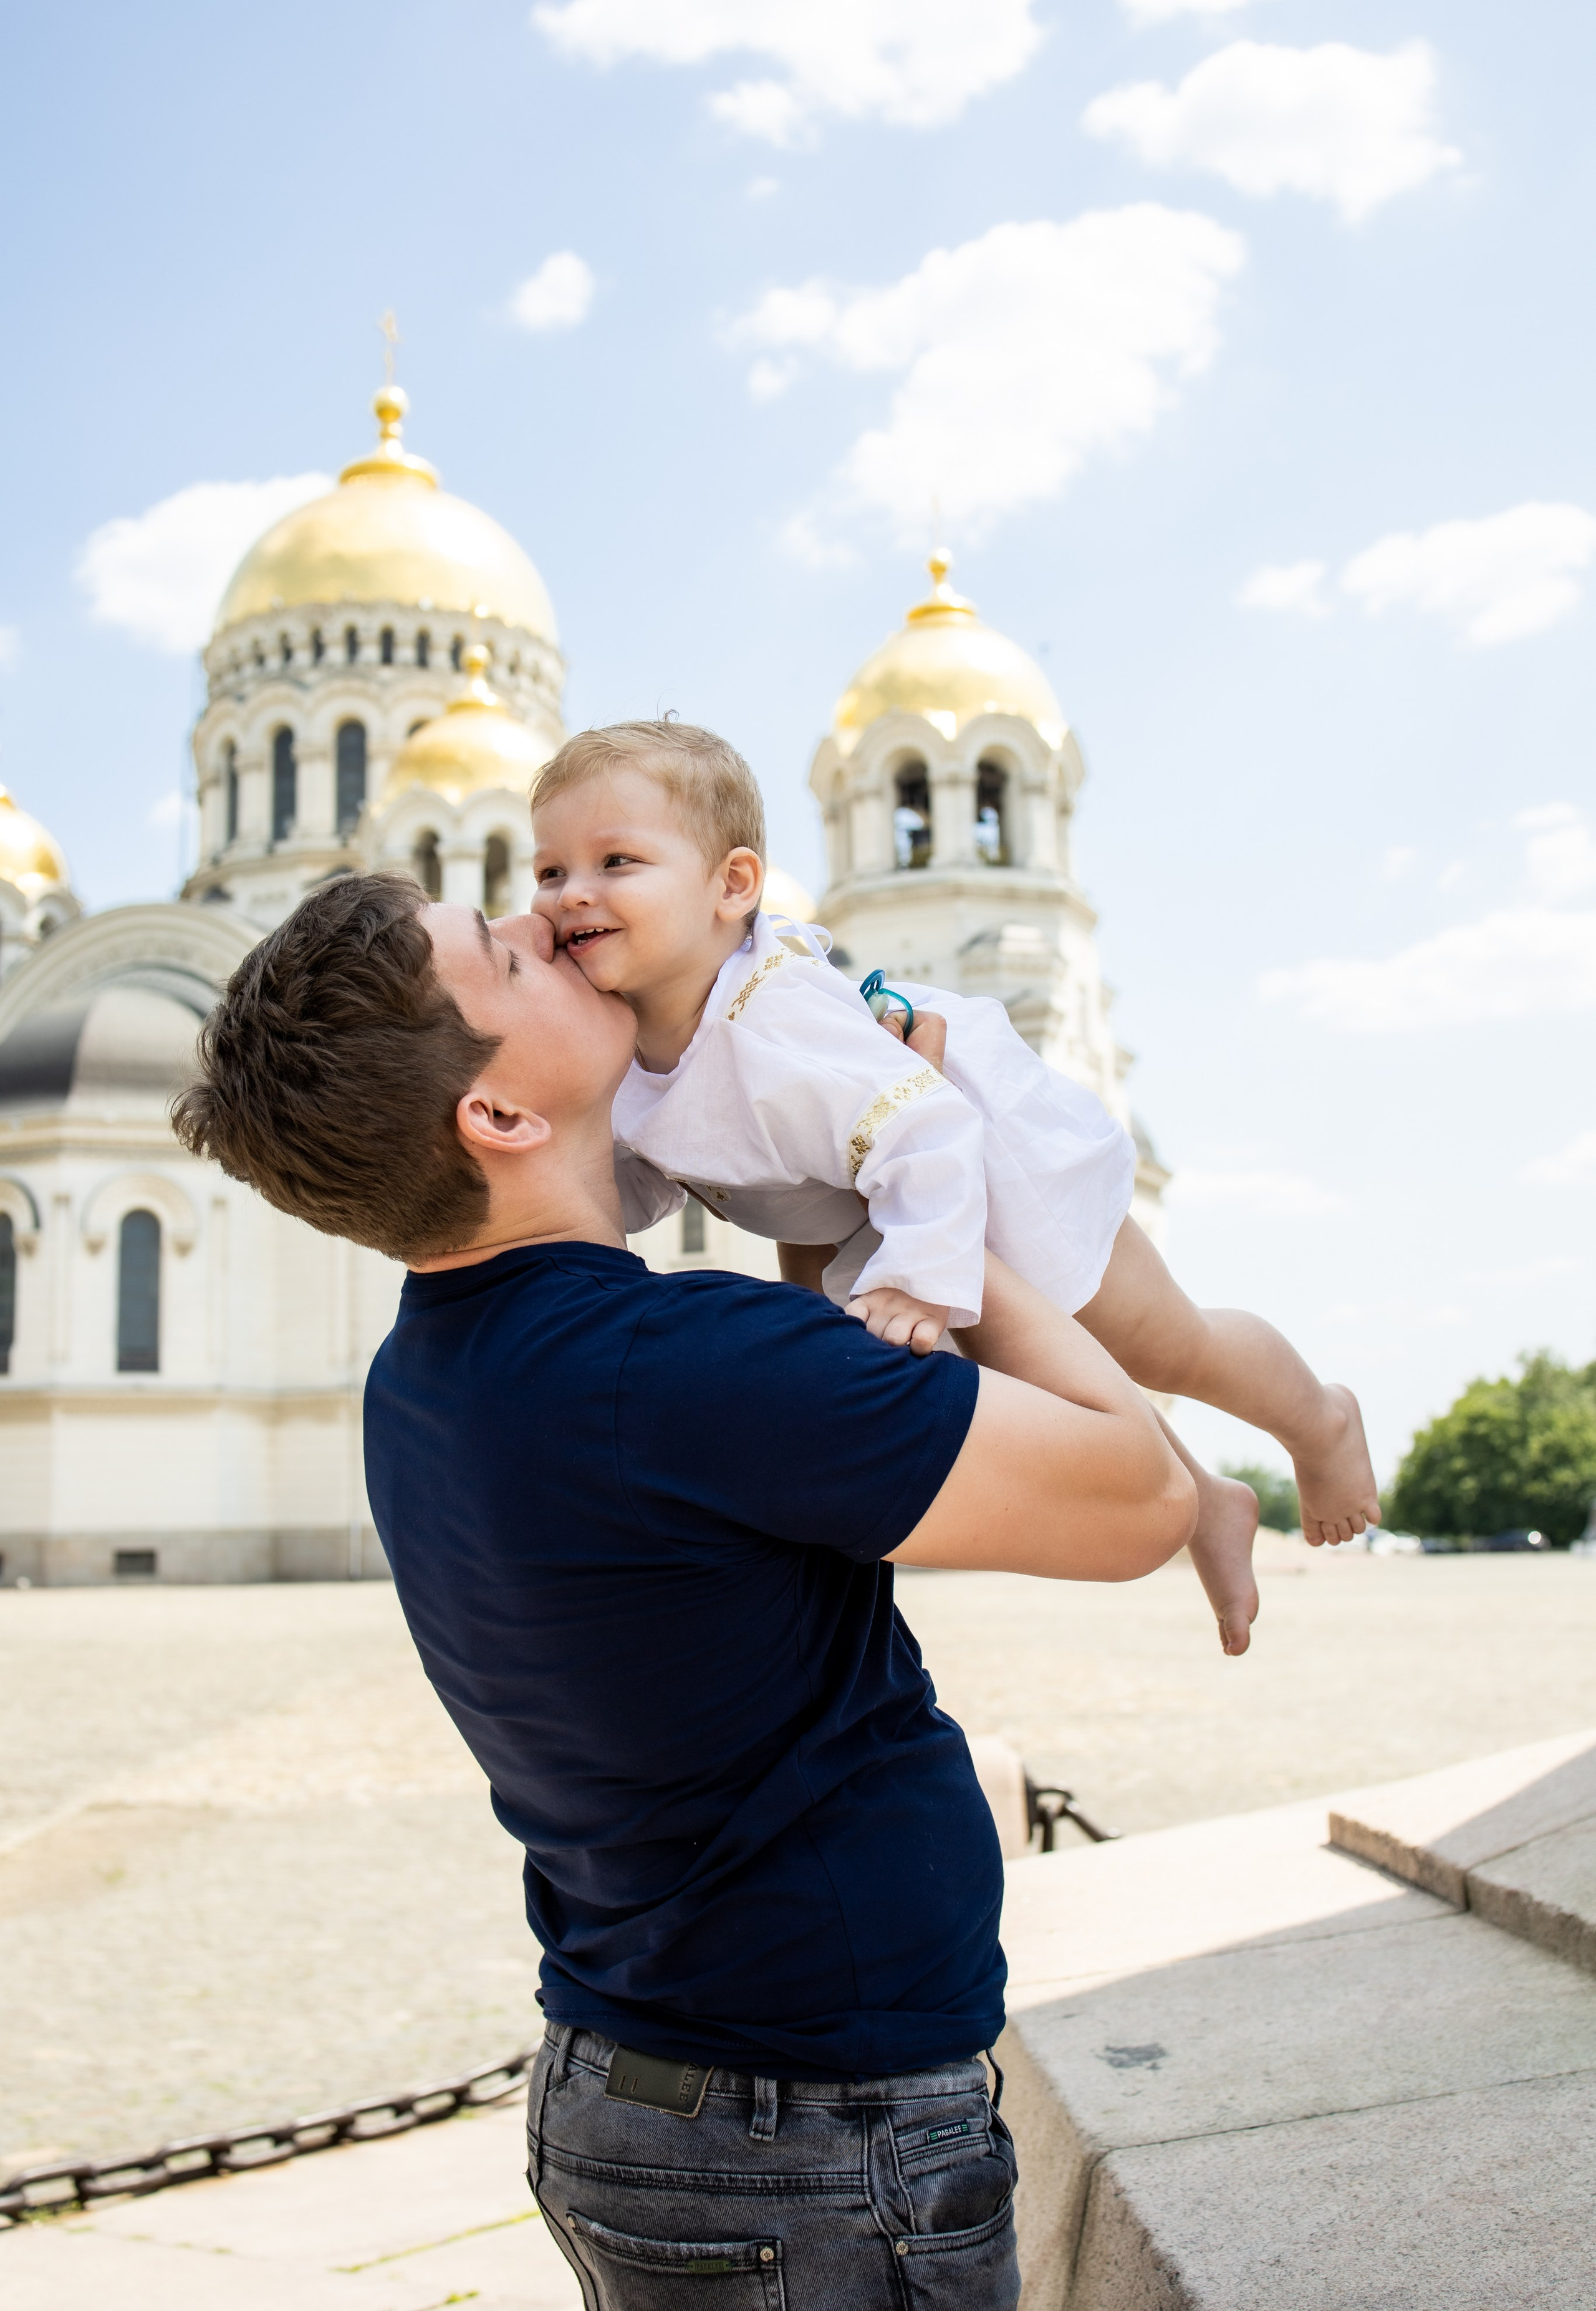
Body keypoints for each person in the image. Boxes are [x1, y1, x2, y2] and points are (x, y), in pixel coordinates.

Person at [172, 869, 1195, 2311]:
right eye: (504, 959)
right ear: (500, 1115)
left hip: (642, 2095)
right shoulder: (675, 1367)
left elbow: (807, 1453)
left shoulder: (427, 1375)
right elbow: (1140, 1491)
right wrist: (934, 1164)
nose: (545, 926)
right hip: (814, 2143)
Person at [528, 721, 1382, 1661]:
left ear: (734, 887)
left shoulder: (776, 1019)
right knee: (1038, 1375)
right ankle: (1209, 1504)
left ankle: (1318, 1416)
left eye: (615, 861)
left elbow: (931, 1125)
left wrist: (920, 1279)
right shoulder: (623, 1032)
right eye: (550, 871)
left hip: (990, 1162)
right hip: (868, 1205)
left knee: (1162, 1342)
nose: (573, 895)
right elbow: (652, 1165)